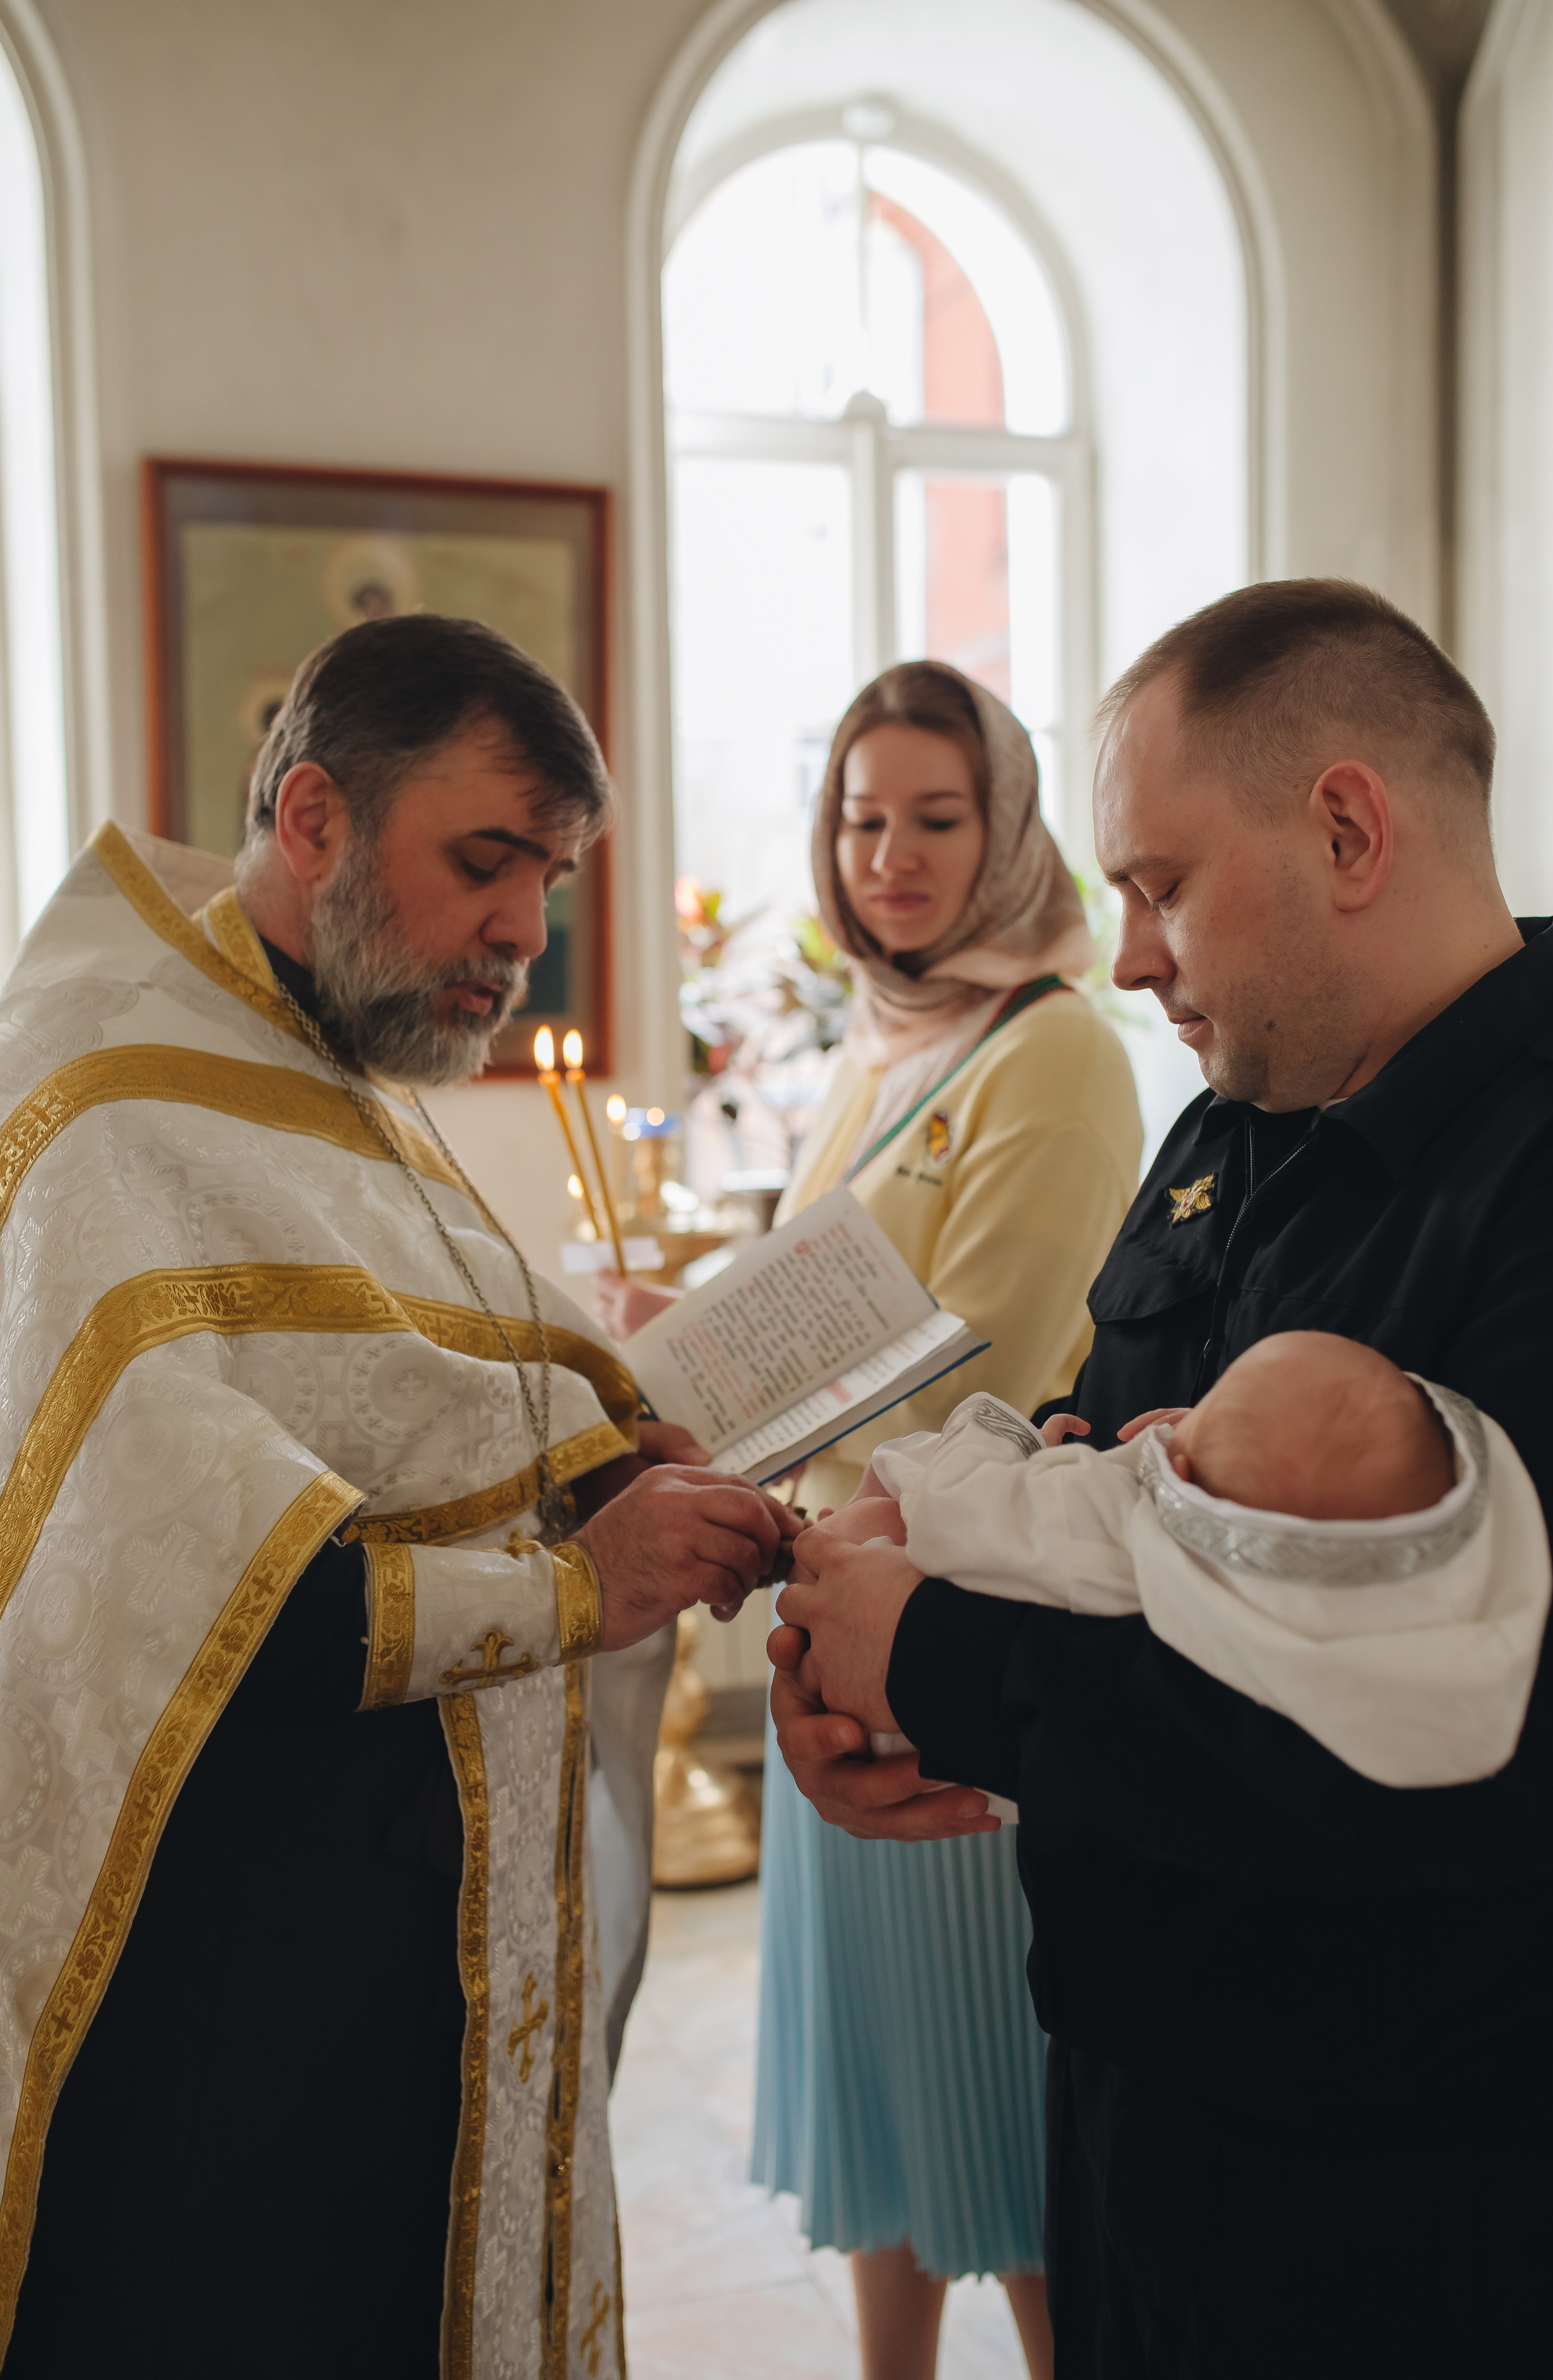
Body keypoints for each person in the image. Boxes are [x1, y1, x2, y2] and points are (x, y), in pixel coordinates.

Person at [0, 614, 800, 2380]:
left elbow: (420, 1377)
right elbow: (197, 1584)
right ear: (316, 818)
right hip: (223, 1986)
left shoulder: (320, 1056)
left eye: (548, 879)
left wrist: (605, 1444)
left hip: (378, 1952)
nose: (524, 931)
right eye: (484, 862)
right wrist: (582, 1585)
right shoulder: (115, 1107)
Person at [767, 578, 1553, 2378]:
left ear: (1345, 828)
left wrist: (939, 1662)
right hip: (1129, 2099)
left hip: (1410, 2180)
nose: (1123, 955)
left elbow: (1460, 1731)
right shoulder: (1221, 1122)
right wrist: (879, 1667)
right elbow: (1095, 1446)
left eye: (1160, 883)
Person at [606, 661, 1140, 2379]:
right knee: (885, 2107)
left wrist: (713, 1399)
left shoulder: (1053, 1048)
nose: (889, 858)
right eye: (859, 821)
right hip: (825, 1612)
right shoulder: (877, 1037)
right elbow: (819, 1306)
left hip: (953, 1626)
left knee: (1002, 2123)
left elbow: (977, 1365)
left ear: (1007, 833)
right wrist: (678, 1331)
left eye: (934, 818)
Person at [796, 1333, 1550, 1792]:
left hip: (919, 1730)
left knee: (869, 1520)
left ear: (1183, 1477)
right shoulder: (1346, 1588)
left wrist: (999, 1438)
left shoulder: (1116, 1530)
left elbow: (958, 1510)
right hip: (1030, 1788)